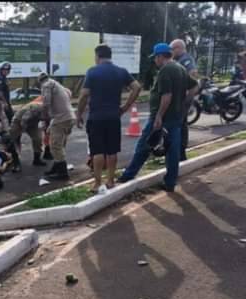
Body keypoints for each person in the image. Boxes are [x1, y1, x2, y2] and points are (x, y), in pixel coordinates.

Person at [117, 43, 199, 192]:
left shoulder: (165, 71)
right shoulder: (179, 68)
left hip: (162, 118)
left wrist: (159, 117)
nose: (155, 61)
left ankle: (128, 175)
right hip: (176, 117)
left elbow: (166, 96)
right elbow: (195, 86)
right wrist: (185, 102)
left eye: (155, 57)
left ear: (160, 56)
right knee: (172, 150)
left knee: (144, 145)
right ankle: (170, 182)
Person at [76, 44, 141, 192]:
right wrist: (125, 108)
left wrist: (79, 114)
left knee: (97, 151)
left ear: (98, 56)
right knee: (112, 151)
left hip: (96, 117)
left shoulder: (92, 72)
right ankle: (111, 181)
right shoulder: (121, 71)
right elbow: (137, 87)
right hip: (113, 117)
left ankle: (97, 183)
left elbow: (84, 95)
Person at [38, 72, 76, 180]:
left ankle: (62, 173)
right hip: (69, 116)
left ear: (40, 81)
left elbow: (46, 103)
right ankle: (56, 167)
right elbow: (69, 92)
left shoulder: (46, 85)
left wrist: (44, 118)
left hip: (61, 119)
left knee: (55, 146)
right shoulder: (57, 84)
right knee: (59, 144)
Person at [170, 39, 199, 161]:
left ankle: (181, 153)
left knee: (180, 126)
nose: (171, 51)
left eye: (173, 49)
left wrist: (187, 99)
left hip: (182, 99)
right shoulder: (177, 60)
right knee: (179, 125)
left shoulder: (186, 59)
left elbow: (193, 74)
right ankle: (176, 152)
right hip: (177, 99)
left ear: (179, 48)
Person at [9, 96, 47, 171]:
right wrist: (22, 131)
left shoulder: (50, 109)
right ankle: (16, 162)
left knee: (38, 139)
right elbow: (24, 121)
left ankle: (37, 159)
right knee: (12, 139)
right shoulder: (37, 108)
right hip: (19, 121)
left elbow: (46, 120)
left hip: (33, 123)